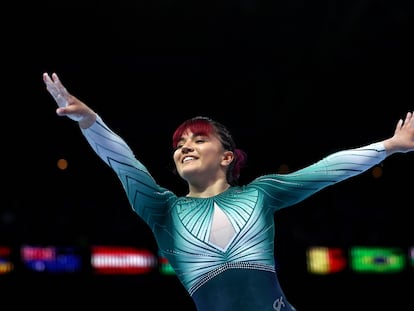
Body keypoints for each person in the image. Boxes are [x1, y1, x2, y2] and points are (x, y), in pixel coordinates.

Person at [43, 72, 414, 311]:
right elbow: (123, 163)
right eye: (178, 144)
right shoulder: (163, 210)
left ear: (226, 157)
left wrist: (390, 146)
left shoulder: (260, 194)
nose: (184, 147)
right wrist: (91, 122)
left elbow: (325, 171)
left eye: (198, 139)